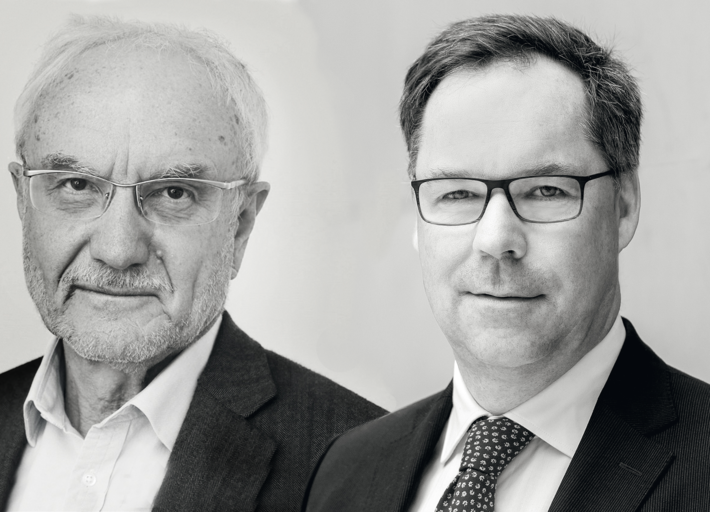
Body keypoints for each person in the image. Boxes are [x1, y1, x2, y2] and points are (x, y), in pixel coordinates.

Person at [0, 15, 384, 512]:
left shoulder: (369, 469)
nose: (117, 250)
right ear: (23, 202)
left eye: (173, 193)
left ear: (240, 223)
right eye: (77, 185)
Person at [304, 14, 710, 512]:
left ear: (623, 207)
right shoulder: (344, 472)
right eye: (456, 193)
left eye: (546, 191)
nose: (496, 239)